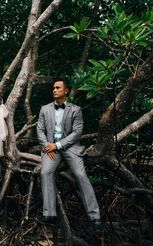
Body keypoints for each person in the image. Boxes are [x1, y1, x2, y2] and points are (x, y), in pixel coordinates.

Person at [36, 79, 102, 232]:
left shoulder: (75, 109)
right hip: (50, 149)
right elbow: (39, 130)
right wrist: (47, 145)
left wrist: (58, 145)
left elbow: (77, 133)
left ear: (66, 91)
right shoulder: (44, 109)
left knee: (80, 174)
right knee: (45, 172)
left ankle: (95, 217)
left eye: (58, 88)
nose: (54, 90)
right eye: (53, 88)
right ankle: (50, 214)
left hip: (70, 148)